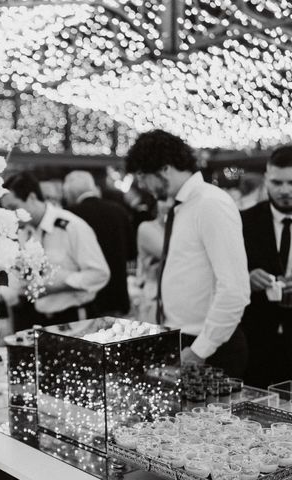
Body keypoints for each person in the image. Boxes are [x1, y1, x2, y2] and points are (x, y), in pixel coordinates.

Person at [125, 130, 250, 378]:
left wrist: (200, 350)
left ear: (165, 169)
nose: (141, 185)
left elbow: (234, 289)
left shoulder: (210, 203)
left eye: (142, 176)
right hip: (184, 338)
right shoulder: (183, 206)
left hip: (210, 345)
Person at [1, 171, 110, 330]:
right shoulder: (24, 232)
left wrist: (60, 284)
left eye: (13, 208)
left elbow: (99, 274)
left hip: (73, 319)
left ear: (31, 198)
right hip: (38, 318)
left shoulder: (71, 226)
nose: (11, 215)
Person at [241, 146, 292, 388]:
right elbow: (223, 274)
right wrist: (246, 278)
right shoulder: (243, 220)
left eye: (291, 183)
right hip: (256, 335)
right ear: (266, 179)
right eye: (277, 182)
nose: (284, 190)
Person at [63, 171, 133, 317]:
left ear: (70, 194)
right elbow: (132, 252)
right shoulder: (119, 211)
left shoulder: (70, 216)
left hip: (89, 301)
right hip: (118, 294)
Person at [134, 200, 170, 323]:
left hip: (176, 296)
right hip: (154, 296)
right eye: (163, 200)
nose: (168, 204)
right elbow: (167, 252)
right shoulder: (146, 228)